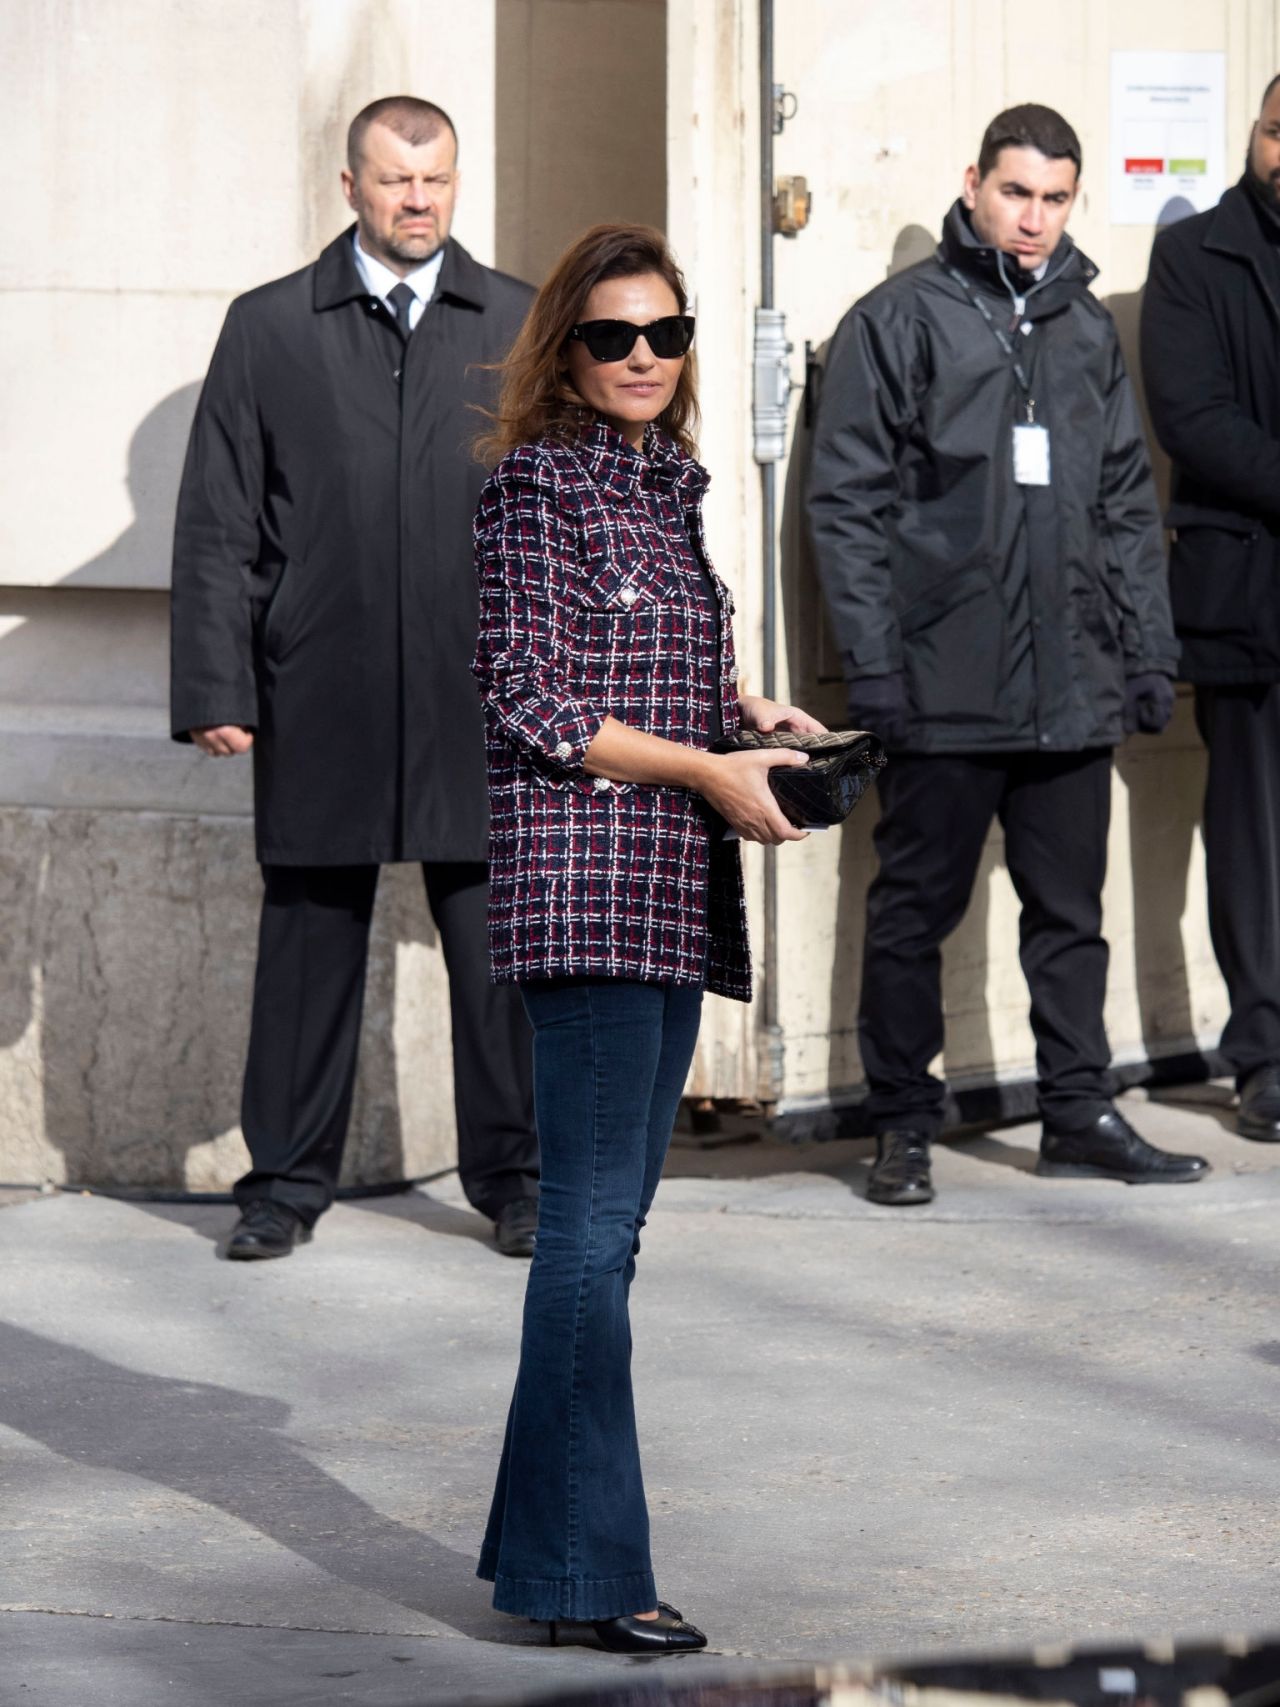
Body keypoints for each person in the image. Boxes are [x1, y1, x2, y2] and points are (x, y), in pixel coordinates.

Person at [471, 223, 823, 1651]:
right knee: (588, 1238)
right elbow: (533, 700)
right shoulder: (532, 489)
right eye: (610, 336)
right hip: (590, 898)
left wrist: (749, 719)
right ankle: (586, 1575)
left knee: (602, 1243)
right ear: (564, 348)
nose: (640, 359)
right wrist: (702, 769)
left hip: (671, 893)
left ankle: (545, 1555)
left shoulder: (665, 483)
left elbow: (656, 672)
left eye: (663, 334)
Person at [808, 103, 1209, 1206]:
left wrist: (1142, 652)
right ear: (973, 185)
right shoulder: (896, 320)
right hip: (941, 684)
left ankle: (1076, 1109)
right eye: (1014, 192)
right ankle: (899, 1124)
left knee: (1067, 919)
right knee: (911, 914)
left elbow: (1124, 500)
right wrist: (874, 665)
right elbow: (843, 504)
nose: (1031, 219)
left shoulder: (1082, 332)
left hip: (1070, 685)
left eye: (1052, 198)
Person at [170, 97, 540, 1260]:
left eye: (435, 180)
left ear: (456, 183)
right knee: (308, 940)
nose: (417, 201)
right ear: (350, 188)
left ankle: (520, 1180)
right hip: (316, 685)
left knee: (498, 952)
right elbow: (219, 520)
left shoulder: (522, 320)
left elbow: (566, 516)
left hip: (478, 691)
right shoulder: (270, 326)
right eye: (394, 181)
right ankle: (281, 1184)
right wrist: (216, 685)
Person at [1140, 74, 1280, 1144]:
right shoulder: (1192, 255)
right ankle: (1264, 1056)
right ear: (1253, 130)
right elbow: (1191, 417)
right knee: (1252, 838)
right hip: (1249, 596)